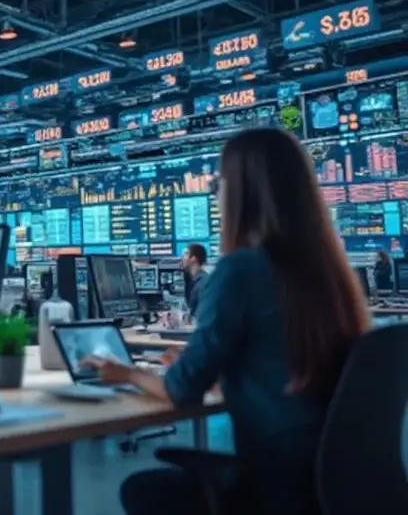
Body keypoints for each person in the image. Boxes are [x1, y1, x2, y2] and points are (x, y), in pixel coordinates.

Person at [83, 128, 369, 515]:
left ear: (242, 193)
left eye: (219, 183)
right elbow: (287, 361)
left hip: (278, 483)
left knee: (144, 489)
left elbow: (182, 391)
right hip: (339, 483)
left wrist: (124, 373)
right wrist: (229, 371)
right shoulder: (331, 273)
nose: (215, 194)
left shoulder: (239, 270)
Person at [181, 243, 209, 316]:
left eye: (185, 254)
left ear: (193, 258)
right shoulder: (192, 280)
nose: (182, 258)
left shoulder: (203, 282)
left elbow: (203, 313)